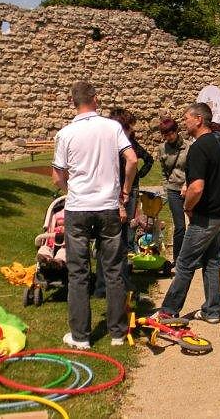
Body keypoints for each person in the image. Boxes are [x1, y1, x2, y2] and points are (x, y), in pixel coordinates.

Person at [51, 81, 137, 349]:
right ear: (96, 100)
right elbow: (132, 159)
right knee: (113, 271)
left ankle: (81, 336)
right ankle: (117, 333)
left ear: (72, 102)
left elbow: (57, 176)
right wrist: (123, 192)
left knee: (78, 273)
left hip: (78, 208)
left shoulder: (65, 133)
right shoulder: (112, 127)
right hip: (108, 207)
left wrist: (70, 190)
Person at [155, 103, 220, 324]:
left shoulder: (198, 148)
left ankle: (168, 312)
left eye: (187, 118)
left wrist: (188, 206)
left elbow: (196, 187)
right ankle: (212, 311)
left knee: (186, 263)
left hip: (206, 216)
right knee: (211, 261)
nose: (184, 122)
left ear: (199, 119)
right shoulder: (218, 143)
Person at [93, 108, 153, 298]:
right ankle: (114, 284)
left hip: (109, 195)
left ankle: (107, 284)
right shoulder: (118, 144)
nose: (130, 133)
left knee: (109, 241)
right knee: (117, 240)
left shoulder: (105, 143)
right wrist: (125, 192)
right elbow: (133, 161)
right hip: (116, 196)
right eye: (129, 128)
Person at [157, 117, 190, 268]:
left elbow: (193, 169)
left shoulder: (188, 147)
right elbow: (163, 172)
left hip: (188, 189)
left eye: (170, 134)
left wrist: (187, 184)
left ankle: (194, 255)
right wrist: (166, 188)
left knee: (196, 224)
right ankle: (178, 258)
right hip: (172, 190)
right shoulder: (162, 148)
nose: (168, 137)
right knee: (180, 226)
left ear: (176, 131)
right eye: (165, 135)